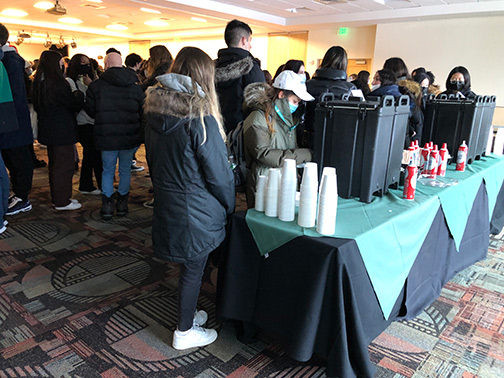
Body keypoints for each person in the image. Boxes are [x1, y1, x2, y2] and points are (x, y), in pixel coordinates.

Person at [144, 46, 235, 350]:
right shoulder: (201, 119)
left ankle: (188, 314)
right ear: (205, 77)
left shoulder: (155, 114)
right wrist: (230, 204)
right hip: (198, 209)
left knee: (189, 268)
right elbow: (219, 176)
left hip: (170, 203)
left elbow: (154, 165)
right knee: (194, 269)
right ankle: (184, 331)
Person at [85, 52, 144, 219]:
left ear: (106, 65)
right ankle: (123, 203)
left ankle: (108, 205)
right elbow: (142, 111)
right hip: (129, 135)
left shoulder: (96, 86)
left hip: (106, 135)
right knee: (125, 170)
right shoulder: (135, 85)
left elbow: (90, 111)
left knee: (107, 171)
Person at [243, 70, 313, 208]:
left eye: (298, 102)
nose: (296, 105)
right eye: (294, 101)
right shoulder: (257, 118)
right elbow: (264, 154)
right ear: (281, 95)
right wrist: (305, 155)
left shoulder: (287, 119)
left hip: (283, 182)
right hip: (264, 185)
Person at [32, 50, 84, 211]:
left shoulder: (39, 82)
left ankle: (60, 198)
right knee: (64, 165)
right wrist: (78, 96)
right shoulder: (59, 83)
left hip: (49, 129)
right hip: (63, 130)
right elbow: (72, 104)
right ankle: (62, 201)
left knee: (55, 164)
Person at [0, 23, 35, 216]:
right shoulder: (11, 60)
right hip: (12, 119)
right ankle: (19, 195)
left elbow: (12, 95)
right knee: (13, 159)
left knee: (18, 159)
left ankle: (22, 197)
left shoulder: (9, 60)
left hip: (13, 120)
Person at [215, 19, 265, 133]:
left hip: (215, 130)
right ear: (244, 40)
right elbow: (259, 106)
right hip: (241, 133)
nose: (250, 46)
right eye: (250, 41)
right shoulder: (250, 67)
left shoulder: (212, 66)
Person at [303, 46, 355, 148]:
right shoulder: (351, 88)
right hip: (338, 138)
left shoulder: (308, 84)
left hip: (309, 135)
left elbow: (301, 113)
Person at [66, 53, 102, 195]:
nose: (86, 66)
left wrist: (92, 84)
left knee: (89, 155)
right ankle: (100, 185)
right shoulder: (70, 81)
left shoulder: (92, 79)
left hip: (95, 121)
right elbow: (78, 102)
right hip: (82, 122)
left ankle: (86, 185)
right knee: (94, 154)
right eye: (82, 63)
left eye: (88, 63)